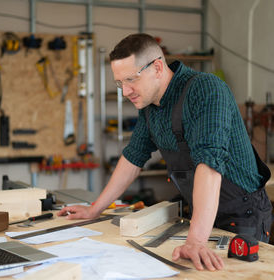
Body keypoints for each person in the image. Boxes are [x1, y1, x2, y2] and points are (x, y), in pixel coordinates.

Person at [58, 33, 273, 271]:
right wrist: (94, 208)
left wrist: (196, 240)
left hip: (242, 214)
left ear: (157, 67)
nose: (126, 91)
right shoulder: (150, 106)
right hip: (201, 214)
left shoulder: (206, 90)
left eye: (131, 79)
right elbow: (133, 157)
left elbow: (210, 165)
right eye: (120, 83)